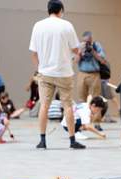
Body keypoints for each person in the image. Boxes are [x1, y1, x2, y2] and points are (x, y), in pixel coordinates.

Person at [29, 0, 85, 149]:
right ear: (61, 10)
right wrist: (78, 52)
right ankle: (72, 140)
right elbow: (75, 49)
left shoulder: (38, 26)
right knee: (67, 106)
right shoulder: (66, 25)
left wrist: (40, 67)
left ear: (48, 10)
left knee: (44, 106)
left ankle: (42, 141)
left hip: (45, 72)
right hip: (64, 72)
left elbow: (33, 52)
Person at [75, 31, 107, 102]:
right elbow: (75, 61)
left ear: (91, 39)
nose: (86, 43)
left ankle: (93, 112)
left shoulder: (96, 46)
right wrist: (80, 52)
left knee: (95, 98)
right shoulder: (80, 46)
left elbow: (103, 61)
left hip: (94, 74)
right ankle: (83, 112)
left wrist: (92, 51)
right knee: (81, 97)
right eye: (85, 41)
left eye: (88, 42)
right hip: (82, 74)